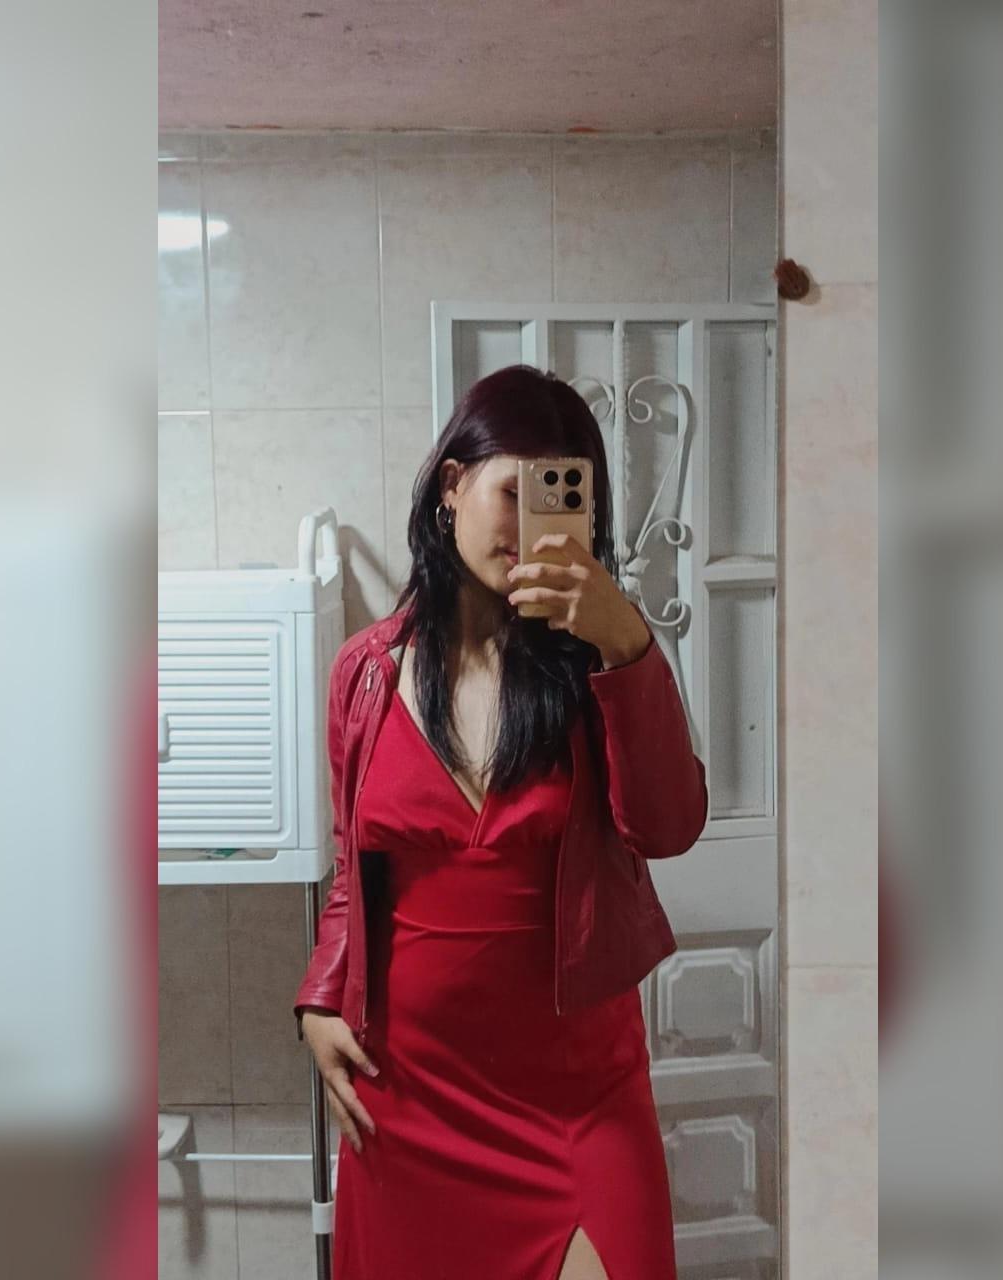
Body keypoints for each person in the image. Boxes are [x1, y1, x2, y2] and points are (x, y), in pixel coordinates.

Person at [293, 364, 709, 1279]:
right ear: (452, 486)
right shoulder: (366, 672)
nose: (532, 528)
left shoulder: (601, 663)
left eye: (562, 500)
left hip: (578, 1097)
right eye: (513, 494)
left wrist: (625, 642)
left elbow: (668, 826)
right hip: (409, 1094)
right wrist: (321, 997)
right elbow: (353, 866)